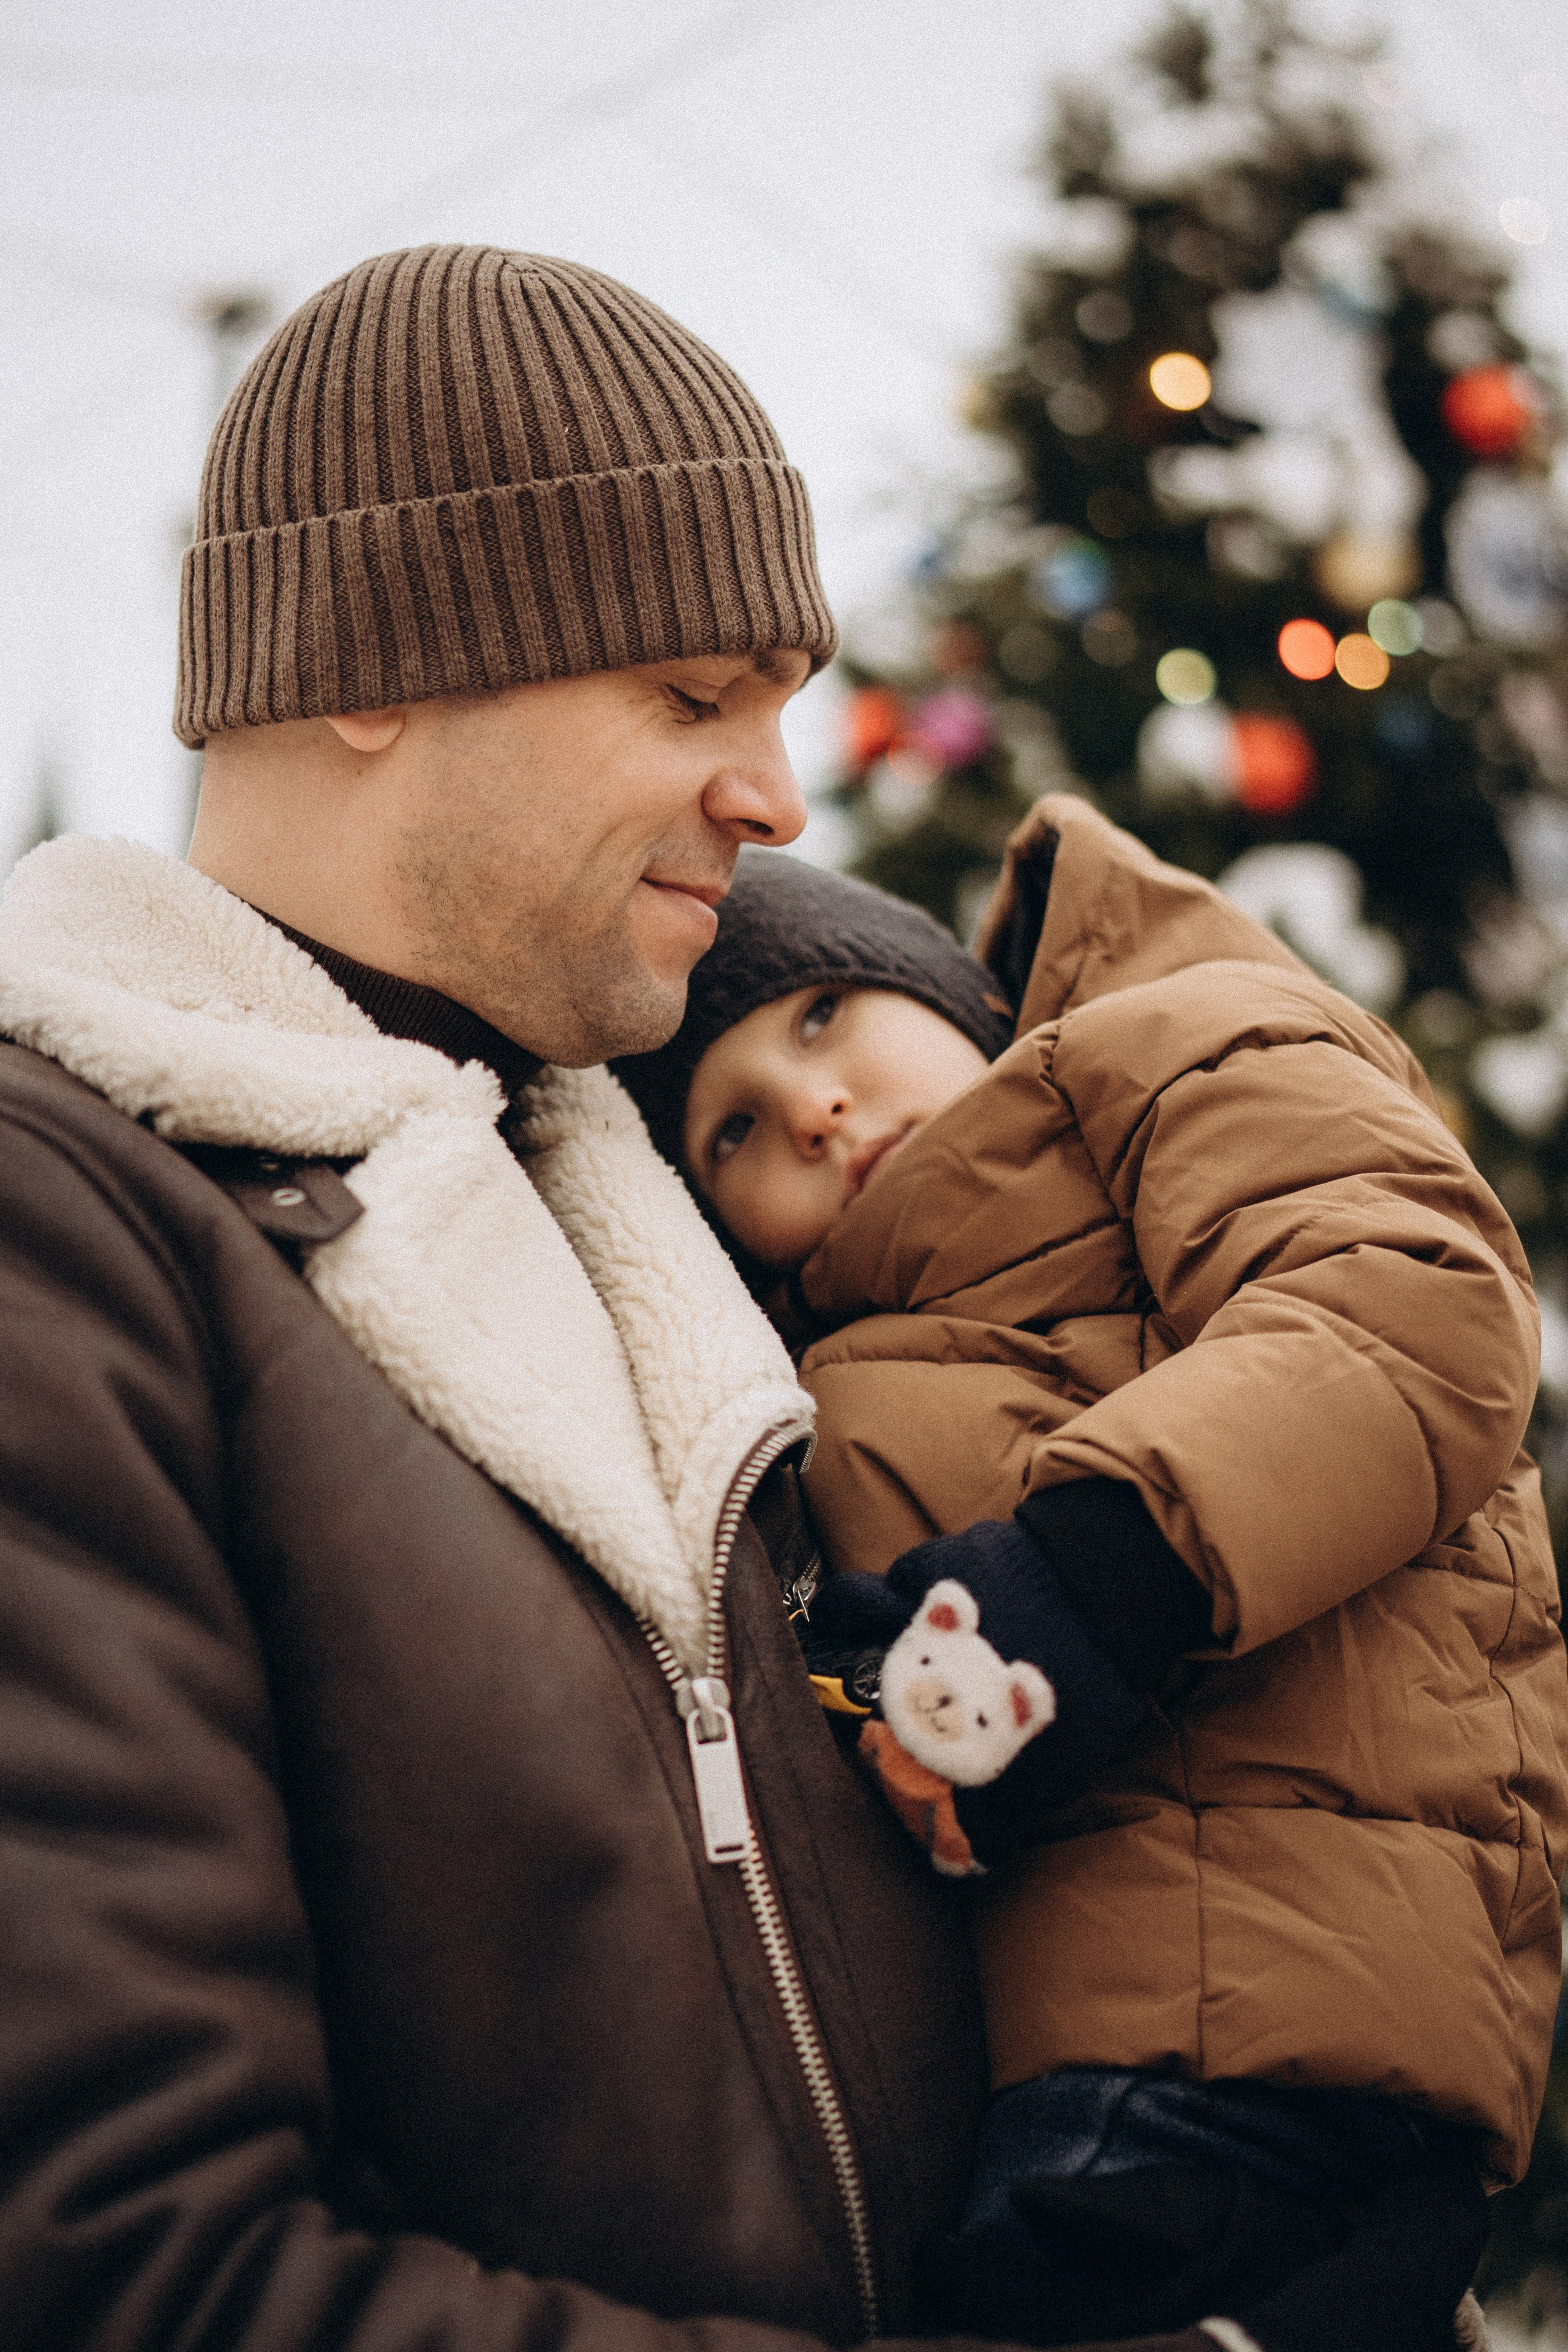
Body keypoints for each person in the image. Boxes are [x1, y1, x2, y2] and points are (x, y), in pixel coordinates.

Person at [0, 242, 1083, 2352]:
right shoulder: (72, 1241)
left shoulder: (694, 1219)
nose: (779, 795)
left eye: (781, 704)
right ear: (374, 657)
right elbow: (123, 2264)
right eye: (691, 697)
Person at [613, 802, 1568, 2352]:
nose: (812, 1106)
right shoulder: (808, 1378)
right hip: (1079, 2043)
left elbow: (1408, 1300)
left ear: (942, 987)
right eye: (731, 1130)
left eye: (823, 1013)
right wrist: (880, 1687)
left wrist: (1080, 1581)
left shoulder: (1161, 1046)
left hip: (1278, 1993)